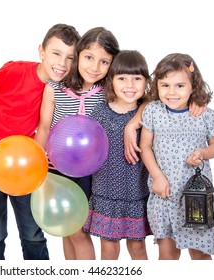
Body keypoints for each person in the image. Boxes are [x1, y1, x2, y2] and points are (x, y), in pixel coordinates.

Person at [0, 23, 80, 260]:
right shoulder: (16, 71)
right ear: (41, 51)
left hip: (25, 167)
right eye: (56, 53)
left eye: (69, 57)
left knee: (32, 232)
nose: (62, 63)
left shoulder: (60, 89)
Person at [35, 27, 120, 260]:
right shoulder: (55, 88)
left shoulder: (108, 91)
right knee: (66, 228)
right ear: (79, 55)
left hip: (89, 172)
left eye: (104, 61)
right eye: (89, 58)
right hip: (56, 169)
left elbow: (144, 99)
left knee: (79, 230)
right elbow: (43, 128)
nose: (94, 67)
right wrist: (37, 163)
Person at [139, 53, 214, 260]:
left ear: (193, 86)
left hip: (195, 196)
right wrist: (157, 176)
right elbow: (146, 146)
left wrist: (203, 153)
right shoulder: (153, 111)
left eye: (180, 86)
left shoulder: (204, 114)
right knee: (167, 255)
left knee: (201, 254)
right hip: (164, 193)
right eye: (165, 85)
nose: (171, 92)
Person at [83, 50, 152, 260]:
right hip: (106, 192)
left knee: (138, 247)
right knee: (108, 249)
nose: (129, 86)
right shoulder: (99, 111)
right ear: (111, 80)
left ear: (146, 81)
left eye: (137, 79)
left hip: (136, 193)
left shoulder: (148, 111)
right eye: (122, 78)